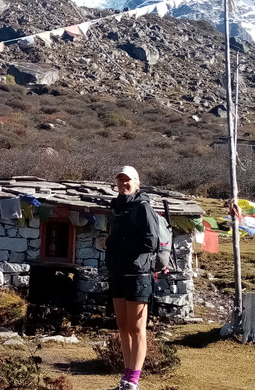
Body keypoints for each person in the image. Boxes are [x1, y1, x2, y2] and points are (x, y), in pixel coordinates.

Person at [105, 166, 159, 390]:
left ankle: (133, 381)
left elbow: (151, 242)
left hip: (138, 274)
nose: (123, 184)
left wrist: (114, 244)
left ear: (136, 183)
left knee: (137, 328)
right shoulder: (117, 208)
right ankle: (125, 377)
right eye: (120, 180)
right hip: (118, 272)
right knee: (122, 325)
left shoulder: (142, 207)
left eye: (127, 180)